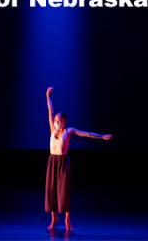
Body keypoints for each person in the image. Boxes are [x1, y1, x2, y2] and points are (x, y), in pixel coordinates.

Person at [45, 86, 113, 232]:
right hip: (52, 162)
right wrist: (47, 96)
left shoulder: (68, 131)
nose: (56, 122)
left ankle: (67, 219)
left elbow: (86, 134)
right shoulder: (52, 130)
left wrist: (101, 137)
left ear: (64, 122)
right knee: (51, 190)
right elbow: (50, 110)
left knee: (63, 191)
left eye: (59, 120)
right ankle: (53, 218)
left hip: (63, 163)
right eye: (55, 120)